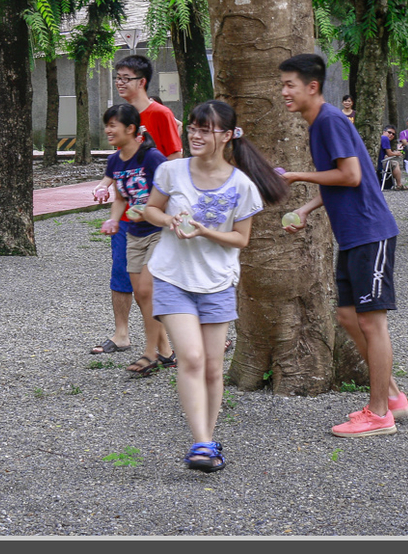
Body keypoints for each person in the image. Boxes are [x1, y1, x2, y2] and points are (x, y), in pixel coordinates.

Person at [143, 99, 288, 472]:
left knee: (212, 368)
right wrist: (169, 220)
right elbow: (150, 209)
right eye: (192, 127)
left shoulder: (242, 185)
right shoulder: (171, 171)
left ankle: (207, 441)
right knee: (191, 358)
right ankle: (201, 442)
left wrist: (205, 231)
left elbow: (241, 239)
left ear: (226, 136)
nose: (195, 135)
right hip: (173, 277)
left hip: (218, 282)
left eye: (205, 130)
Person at [279, 53, 408, 438]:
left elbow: (350, 175)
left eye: (289, 85)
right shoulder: (319, 124)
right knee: (349, 318)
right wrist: (305, 209)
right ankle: (393, 398)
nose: (284, 91)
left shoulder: (330, 120)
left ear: (312, 87)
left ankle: (379, 414)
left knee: (371, 322)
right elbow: (341, 177)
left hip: (370, 232)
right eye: (282, 85)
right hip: (353, 236)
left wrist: (297, 176)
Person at [88, 55, 182, 365]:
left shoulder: (160, 114)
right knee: (125, 275)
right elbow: (119, 172)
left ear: (141, 81)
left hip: (154, 217)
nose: (119, 82)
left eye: (125, 77)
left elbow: (174, 162)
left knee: (150, 286)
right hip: (128, 217)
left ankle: (161, 348)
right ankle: (124, 334)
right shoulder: (120, 121)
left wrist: (157, 207)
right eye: (117, 77)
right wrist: (106, 188)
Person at [98, 104, 173, 376]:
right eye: (106, 125)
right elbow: (120, 198)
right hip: (133, 234)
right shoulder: (114, 161)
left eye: (113, 125)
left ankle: (149, 353)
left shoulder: (151, 158)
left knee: (146, 290)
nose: (108, 130)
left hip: (158, 233)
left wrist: (151, 211)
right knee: (142, 296)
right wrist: (114, 220)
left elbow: (171, 192)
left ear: (131, 129)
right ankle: (166, 352)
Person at [379, 125, 408, 190]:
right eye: (389, 132)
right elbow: (390, 154)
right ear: (384, 132)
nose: (391, 135)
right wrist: (397, 153)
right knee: (395, 163)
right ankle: (399, 185)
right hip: (379, 164)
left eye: (393, 134)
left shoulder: (378, 139)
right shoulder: (385, 138)